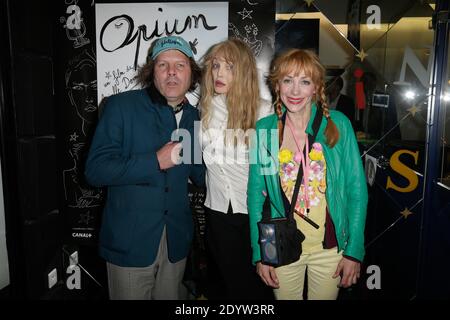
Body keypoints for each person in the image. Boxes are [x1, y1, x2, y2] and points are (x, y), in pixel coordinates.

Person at [85, 36, 205, 300]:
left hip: (176, 242)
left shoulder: (195, 117)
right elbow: (95, 170)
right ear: (152, 72)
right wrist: (154, 161)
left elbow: (198, 175)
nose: (172, 72)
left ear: (191, 74)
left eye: (180, 65)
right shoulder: (120, 107)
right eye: (163, 65)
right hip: (129, 243)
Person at [247, 49, 368, 300]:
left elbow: (356, 191)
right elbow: (257, 197)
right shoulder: (265, 129)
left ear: (316, 88)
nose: (294, 91)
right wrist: (262, 254)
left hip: (331, 249)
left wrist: (354, 251)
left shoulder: (338, 124)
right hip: (282, 244)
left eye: (304, 81)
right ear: (277, 84)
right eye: (287, 80)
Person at [199, 38, 273, 299]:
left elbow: (270, 170)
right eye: (215, 66)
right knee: (226, 286)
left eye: (229, 67)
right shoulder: (206, 107)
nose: (219, 73)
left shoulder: (264, 112)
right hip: (217, 211)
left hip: (254, 214)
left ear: (242, 71)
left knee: (255, 287)